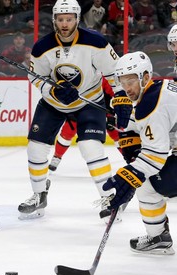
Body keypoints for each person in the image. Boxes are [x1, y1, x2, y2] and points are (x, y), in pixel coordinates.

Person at [18, 0, 132, 221]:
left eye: (69, 19)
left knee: (90, 147)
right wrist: (54, 91)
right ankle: (38, 194)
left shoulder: (95, 42)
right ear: (54, 20)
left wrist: (120, 96)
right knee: (35, 148)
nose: (64, 23)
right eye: (60, 19)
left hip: (89, 100)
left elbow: (114, 72)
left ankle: (110, 197)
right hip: (53, 104)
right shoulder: (42, 47)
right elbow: (35, 78)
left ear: (77, 19)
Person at [102, 51, 175, 255]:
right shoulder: (157, 91)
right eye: (122, 81)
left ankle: (158, 237)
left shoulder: (152, 105)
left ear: (144, 77)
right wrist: (122, 126)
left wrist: (130, 176)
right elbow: (141, 126)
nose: (126, 87)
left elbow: (155, 156)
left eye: (131, 80)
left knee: (146, 184)